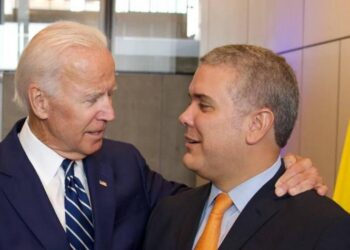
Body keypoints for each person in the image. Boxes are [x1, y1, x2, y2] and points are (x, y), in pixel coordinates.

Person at [0, 22, 325, 250]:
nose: (110, 113)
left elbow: (214, 205)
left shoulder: (124, 165)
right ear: (40, 102)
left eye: (110, 95)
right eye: (91, 99)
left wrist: (282, 173)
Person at [143, 45, 350, 250]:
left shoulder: (324, 229)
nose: (185, 117)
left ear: (257, 125)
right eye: (191, 102)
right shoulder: (169, 214)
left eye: (204, 105)